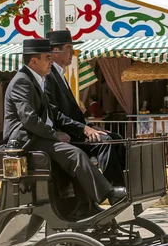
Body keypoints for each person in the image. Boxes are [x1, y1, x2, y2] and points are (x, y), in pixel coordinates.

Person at [3, 39, 126, 218]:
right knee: (74, 154)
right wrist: (55, 135)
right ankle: (107, 193)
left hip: (40, 136)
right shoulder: (22, 81)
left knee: (91, 145)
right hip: (26, 140)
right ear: (33, 61)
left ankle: (86, 205)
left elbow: (51, 114)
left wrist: (84, 127)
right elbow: (29, 119)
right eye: (47, 58)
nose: (51, 61)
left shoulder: (37, 80)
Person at [45, 30, 125, 187]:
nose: (72, 53)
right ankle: (114, 189)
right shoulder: (49, 76)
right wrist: (84, 130)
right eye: (69, 48)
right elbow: (55, 113)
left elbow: (70, 111)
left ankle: (126, 184)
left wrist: (89, 126)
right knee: (105, 142)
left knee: (115, 137)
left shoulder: (59, 73)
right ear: (55, 51)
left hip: (75, 129)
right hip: (65, 134)